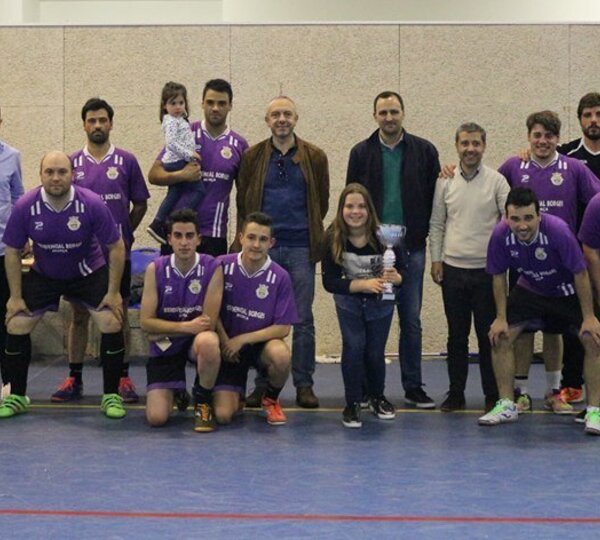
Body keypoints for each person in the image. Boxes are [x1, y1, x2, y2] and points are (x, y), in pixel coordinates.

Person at [0, 151, 127, 419]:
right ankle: (17, 395)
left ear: (73, 175)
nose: (55, 178)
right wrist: (15, 297)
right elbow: (11, 251)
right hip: (45, 273)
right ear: (40, 175)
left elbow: (116, 246)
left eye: (62, 172)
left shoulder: (91, 203)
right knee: (16, 323)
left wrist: (114, 292)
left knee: (111, 322)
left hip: (86, 272)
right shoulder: (26, 206)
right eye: (49, 172)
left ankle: (111, 395)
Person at [498, 110, 600, 415]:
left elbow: (597, 198)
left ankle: (554, 393)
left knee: (554, 331)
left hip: (563, 267)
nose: (543, 141)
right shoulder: (514, 166)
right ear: (529, 137)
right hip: (523, 265)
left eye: (549, 136)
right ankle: (521, 393)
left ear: (558, 138)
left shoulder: (574, 168)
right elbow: (488, 188)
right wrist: (450, 172)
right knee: (524, 331)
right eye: (537, 135)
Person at [51, 98, 149, 405]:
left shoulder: (127, 160)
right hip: (80, 257)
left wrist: (123, 234)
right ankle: (74, 377)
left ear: (111, 123)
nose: (97, 125)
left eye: (102, 120)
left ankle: (122, 377)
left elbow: (140, 203)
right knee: (79, 315)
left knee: (118, 314)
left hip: (117, 256)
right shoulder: (71, 163)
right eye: (91, 120)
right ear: (84, 125)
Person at [479, 187, 600, 436]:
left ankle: (595, 410)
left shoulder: (558, 231)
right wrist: (500, 317)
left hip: (566, 291)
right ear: (506, 217)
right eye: (515, 219)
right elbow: (498, 276)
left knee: (593, 339)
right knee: (500, 336)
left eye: (528, 218)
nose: (522, 225)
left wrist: (589, 317)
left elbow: (580, 274)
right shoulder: (501, 234)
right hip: (530, 288)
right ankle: (506, 404)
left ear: (539, 216)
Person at [347, 91, 440, 409]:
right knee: (372, 320)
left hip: (411, 248)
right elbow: (352, 200)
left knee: (410, 320)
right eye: (383, 112)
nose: (389, 118)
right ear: (374, 115)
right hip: (372, 250)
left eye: (394, 111)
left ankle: (413, 386)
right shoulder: (360, 153)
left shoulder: (425, 151)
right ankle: (367, 388)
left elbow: (435, 198)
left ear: (403, 113)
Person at [235, 96, 329, 409]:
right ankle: (262, 386)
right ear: (267, 121)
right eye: (275, 114)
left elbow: (321, 202)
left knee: (303, 319)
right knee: (261, 319)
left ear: (296, 118)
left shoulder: (315, 156)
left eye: (287, 114)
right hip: (264, 250)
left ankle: (304, 385)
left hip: (301, 247)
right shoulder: (252, 157)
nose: (281, 119)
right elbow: (244, 201)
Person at [429, 123, 508, 413]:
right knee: (456, 337)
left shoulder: (498, 182)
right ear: (457, 146)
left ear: (484, 146)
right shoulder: (445, 181)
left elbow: (509, 222)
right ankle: (456, 394)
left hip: (487, 274)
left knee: (489, 338)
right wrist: (436, 259)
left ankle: (492, 395)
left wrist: (501, 261)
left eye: (476, 143)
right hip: (453, 272)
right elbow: (437, 223)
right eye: (465, 143)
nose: (470, 149)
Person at [322, 183, 403, 428]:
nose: (355, 212)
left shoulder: (385, 237)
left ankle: (377, 397)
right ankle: (353, 402)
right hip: (349, 303)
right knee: (354, 347)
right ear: (341, 209)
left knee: (376, 352)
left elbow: (404, 273)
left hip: (381, 304)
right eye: (349, 206)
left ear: (370, 210)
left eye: (361, 206)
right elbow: (329, 282)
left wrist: (396, 278)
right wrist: (363, 285)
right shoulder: (332, 237)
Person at [139, 209, 223, 431]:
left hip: (190, 342)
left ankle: (202, 400)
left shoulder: (212, 267)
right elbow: (146, 322)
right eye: (178, 235)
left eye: (189, 236)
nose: (184, 242)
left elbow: (207, 324)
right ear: (169, 239)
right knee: (156, 418)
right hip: (165, 345)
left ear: (199, 239)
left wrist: (161, 329)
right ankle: (177, 390)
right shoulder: (155, 269)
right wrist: (186, 326)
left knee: (209, 341)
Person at [212, 212, 298, 426]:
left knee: (281, 355)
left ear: (271, 243)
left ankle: (270, 399)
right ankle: (235, 394)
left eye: (263, 239)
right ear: (241, 237)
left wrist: (242, 339)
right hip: (228, 348)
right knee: (223, 415)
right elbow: (210, 311)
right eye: (251, 237)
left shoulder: (280, 277)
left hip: (260, 347)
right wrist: (225, 340)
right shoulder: (221, 265)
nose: (256, 245)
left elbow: (283, 328)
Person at [148, 78, 248, 258]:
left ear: (230, 106)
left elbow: (244, 197)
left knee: (213, 278)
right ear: (202, 104)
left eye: (221, 103)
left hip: (214, 234)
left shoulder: (239, 145)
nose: (215, 108)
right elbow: (154, 175)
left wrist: (239, 238)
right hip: (179, 232)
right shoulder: (186, 131)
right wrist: (182, 175)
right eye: (210, 102)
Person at [146, 82, 203, 244]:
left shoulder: (180, 120)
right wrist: (190, 155)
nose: (178, 107)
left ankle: (158, 223)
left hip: (178, 160)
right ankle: (176, 219)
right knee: (199, 191)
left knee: (174, 194)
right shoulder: (171, 121)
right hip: (176, 162)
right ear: (164, 106)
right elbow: (171, 143)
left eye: (181, 102)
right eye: (173, 103)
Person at [0, 103, 25, 387]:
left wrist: (23, 236)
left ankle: (10, 387)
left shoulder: (11, 156)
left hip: (3, 253)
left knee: (6, 321)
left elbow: (19, 199)